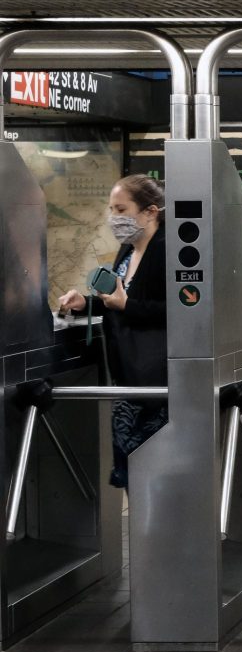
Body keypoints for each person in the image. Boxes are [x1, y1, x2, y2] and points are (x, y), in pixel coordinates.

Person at [58, 174, 168, 490]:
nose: (114, 218)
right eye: (111, 210)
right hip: (127, 374)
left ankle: (156, 535)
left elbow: (179, 312)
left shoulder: (166, 252)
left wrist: (125, 307)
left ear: (150, 212)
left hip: (155, 378)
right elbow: (117, 300)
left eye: (121, 209)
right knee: (129, 468)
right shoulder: (127, 250)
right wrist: (86, 302)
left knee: (148, 467)